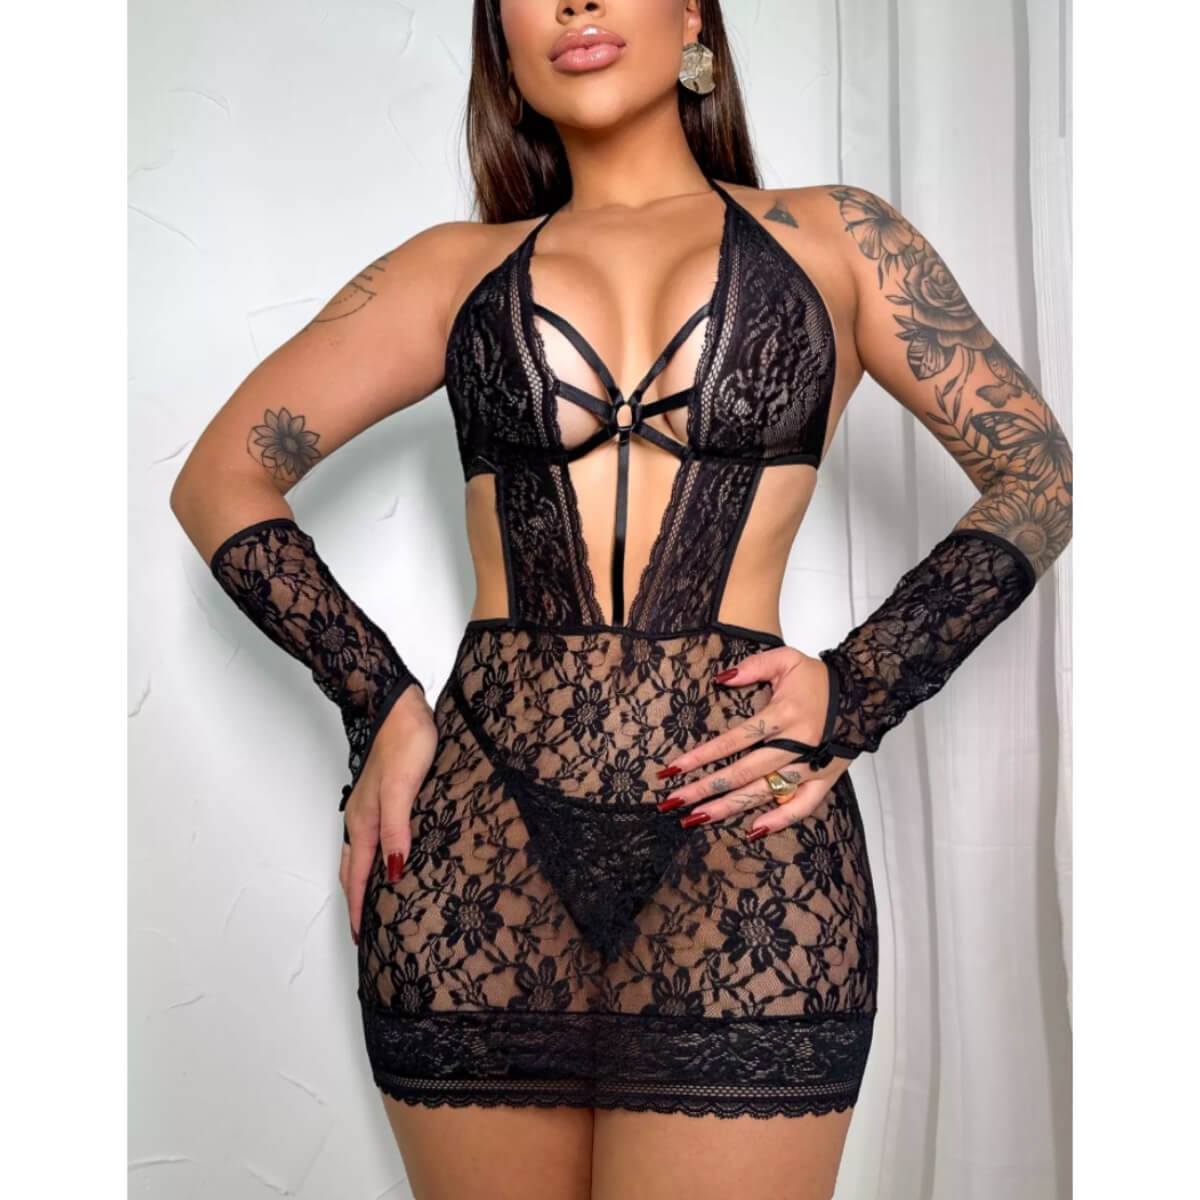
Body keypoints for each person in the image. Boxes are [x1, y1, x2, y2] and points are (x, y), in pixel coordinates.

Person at [169, 2, 1072, 1197]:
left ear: (692, 13)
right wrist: (377, 699)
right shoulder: (451, 270)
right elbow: (220, 477)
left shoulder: (842, 239)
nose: (576, 2)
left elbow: (1038, 476)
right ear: (502, 38)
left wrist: (855, 690)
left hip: (745, 853)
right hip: (477, 852)